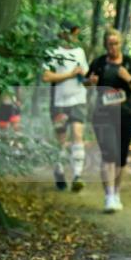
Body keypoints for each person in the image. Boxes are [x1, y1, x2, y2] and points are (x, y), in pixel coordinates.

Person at [86, 28, 131, 212]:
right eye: (110, 44)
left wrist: (128, 78)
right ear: (105, 45)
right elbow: (86, 82)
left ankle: (116, 192)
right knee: (108, 154)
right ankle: (109, 195)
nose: (113, 47)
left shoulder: (128, 63)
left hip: (125, 116)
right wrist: (90, 82)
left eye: (116, 43)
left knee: (120, 158)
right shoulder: (99, 63)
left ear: (121, 43)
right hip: (103, 115)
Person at [42, 21, 89, 191]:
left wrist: (86, 77)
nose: (73, 36)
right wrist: (70, 74)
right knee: (61, 139)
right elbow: (46, 77)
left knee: (77, 134)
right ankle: (59, 170)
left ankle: (77, 175)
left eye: (75, 33)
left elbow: (85, 77)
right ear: (63, 33)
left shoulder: (79, 52)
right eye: (71, 32)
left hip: (78, 99)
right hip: (59, 102)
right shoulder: (52, 52)